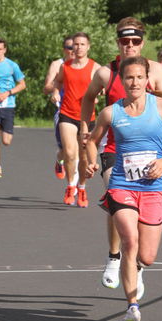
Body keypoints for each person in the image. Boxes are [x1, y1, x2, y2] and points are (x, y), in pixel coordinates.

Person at [86, 56, 162, 321]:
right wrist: (90, 161)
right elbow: (93, 139)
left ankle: (137, 267)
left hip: (154, 187)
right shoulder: (111, 112)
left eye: (139, 77)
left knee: (147, 256)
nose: (134, 82)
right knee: (129, 241)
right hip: (122, 185)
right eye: (129, 77)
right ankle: (132, 306)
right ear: (122, 80)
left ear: (147, 80)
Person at [81, 17, 162, 292]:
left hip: (147, 152)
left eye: (135, 41)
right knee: (116, 192)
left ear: (142, 43)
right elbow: (88, 98)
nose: (129, 46)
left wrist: (152, 93)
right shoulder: (105, 73)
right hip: (113, 149)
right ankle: (114, 256)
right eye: (124, 40)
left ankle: (135, 265)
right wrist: (85, 127)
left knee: (143, 242)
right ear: (117, 42)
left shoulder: (155, 70)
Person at [52, 32, 101, 207]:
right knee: (70, 153)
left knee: (84, 158)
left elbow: (103, 87)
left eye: (82, 44)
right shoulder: (65, 66)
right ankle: (70, 186)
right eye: (76, 44)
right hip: (67, 113)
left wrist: (98, 94)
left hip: (87, 118)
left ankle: (82, 187)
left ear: (88, 46)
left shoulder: (96, 67)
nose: (78, 47)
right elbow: (57, 82)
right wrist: (56, 91)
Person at [0, 37, 26, 178]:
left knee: (6, 141)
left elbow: (22, 84)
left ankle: (5, 128)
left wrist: (7, 93)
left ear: (5, 50)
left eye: (0, 49)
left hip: (8, 105)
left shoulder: (12, 65)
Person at [43, 35, 75, 180]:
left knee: (79, 149)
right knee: (65, 149)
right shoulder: (58, 64)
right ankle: (59, 159)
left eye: (76, 46)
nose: (73, 50)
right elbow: (46, 88)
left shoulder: (87, 65)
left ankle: (74, 185)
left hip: (81, 111)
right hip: (63, 110)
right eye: (69, 47)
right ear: (64, 50)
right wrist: (58, 84)